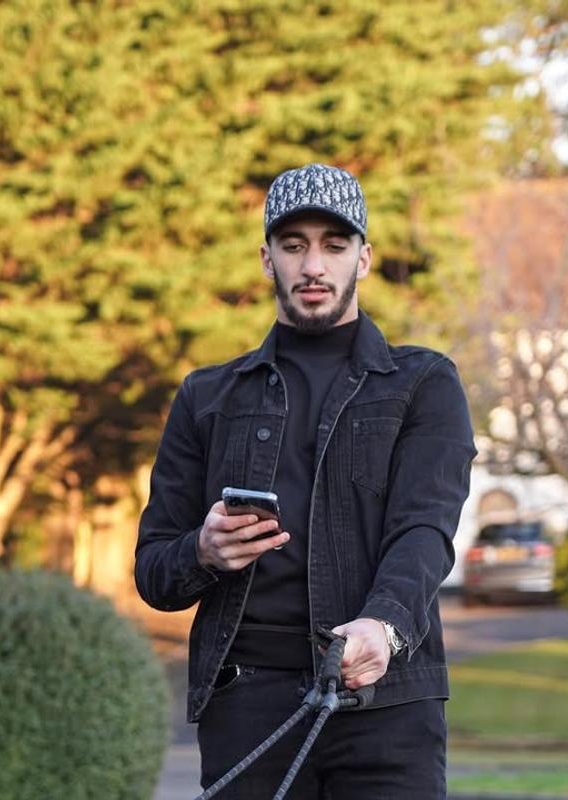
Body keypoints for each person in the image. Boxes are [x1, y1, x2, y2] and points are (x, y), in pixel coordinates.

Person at [134, 163, 476, 798]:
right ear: (267, 260)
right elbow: (154, 570)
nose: (313, 265)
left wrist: (386, 624)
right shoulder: (206, 396)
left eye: (333, 246)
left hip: (386, 702)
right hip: (246, 705)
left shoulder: (423, 384)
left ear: (364, 258)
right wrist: (202, 552)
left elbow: (425, 528)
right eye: (294, 247)